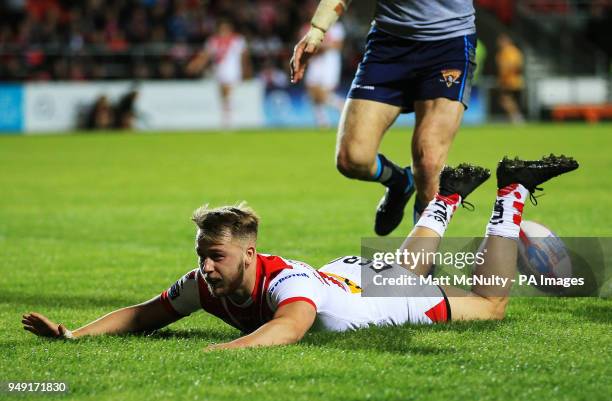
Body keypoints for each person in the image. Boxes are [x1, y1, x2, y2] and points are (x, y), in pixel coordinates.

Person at [22, 155, 578, 349]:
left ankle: (513, 191)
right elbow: (145, 314)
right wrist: (74, 335)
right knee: (406, 267)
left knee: (489, 303)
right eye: (200, 255)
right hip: (350, 276)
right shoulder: (210, 282)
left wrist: (224, 353)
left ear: (248, 254)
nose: (204, 266)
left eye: (214, 256)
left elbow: (287, 329)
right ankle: (450, 198)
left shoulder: (286, 284)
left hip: (375, 302)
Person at [291, 0, 478, 236]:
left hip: (448, 45)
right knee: (352, 159)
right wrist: (317, 31)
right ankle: (400, 182)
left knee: (429, 163)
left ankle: (423, 266)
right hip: (389, 45)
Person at [186, 19, 251, 127]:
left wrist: (246, 71)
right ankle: (226, 118)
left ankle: (228, 121)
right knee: (223, 96)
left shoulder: (237, 40)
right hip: (219, 70)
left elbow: (244, 57)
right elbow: (205, 56)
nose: (224, 31)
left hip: (232, 70)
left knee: (227, 93)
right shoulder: (214, 41)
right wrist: (195, 65)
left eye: (226, 29)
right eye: (222, 29)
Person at [301, 21, 346, 127]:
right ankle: (323, 122)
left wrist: (320, 46)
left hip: (329, 61)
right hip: (315, 61)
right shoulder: (312, 25)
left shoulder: (336, 26)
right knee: (311, 89)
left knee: (323, 92)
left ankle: (340, 106)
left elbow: (338, 45)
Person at [496, 34, 525, 124]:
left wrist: (506, 72)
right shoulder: (505, 51)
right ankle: (514, 117)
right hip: (510, 81)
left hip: (511, 81)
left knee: (506, 100)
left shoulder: (510, 51)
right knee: (508, 100)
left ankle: (516, 117)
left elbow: (515, 65)